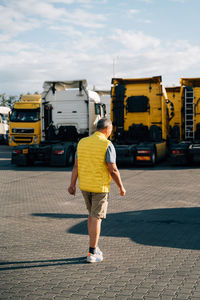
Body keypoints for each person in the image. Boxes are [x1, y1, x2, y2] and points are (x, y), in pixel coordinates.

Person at [68, 118, 126, 263]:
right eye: (111, 129)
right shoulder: (107, 144)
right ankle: (92, 252)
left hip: (85, 186)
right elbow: (112, 169)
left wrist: (72, 184)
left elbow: (76, 166)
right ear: (107, 129)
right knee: (96, 218)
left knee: (91, 215)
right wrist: (120, 186)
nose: (111, 132)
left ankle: (94, 246)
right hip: (99, 187)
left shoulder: (82, 142)